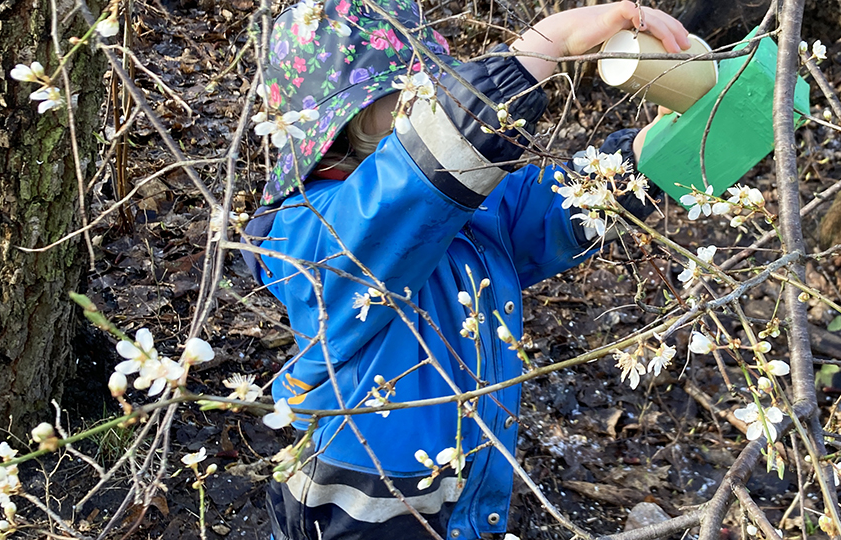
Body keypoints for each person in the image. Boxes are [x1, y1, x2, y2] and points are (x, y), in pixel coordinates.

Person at [242, 1, 689, 539]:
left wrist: (652, 151)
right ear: (353, 117)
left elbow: (546, 208)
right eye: (415, 84)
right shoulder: (310, 231)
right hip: (357, 515)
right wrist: (543, 45)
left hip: (460, 498)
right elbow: (399, 195)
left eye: (437, 80)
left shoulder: (460, 209)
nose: (434, 90)